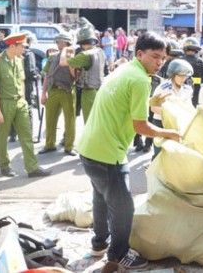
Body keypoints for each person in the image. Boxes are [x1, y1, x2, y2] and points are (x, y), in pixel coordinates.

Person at [77, 32, 180, 268]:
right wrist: (169, 133)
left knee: (101, 199)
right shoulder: (140, 80)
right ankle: (119, 253)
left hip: (90, 148)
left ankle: (99, 243)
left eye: (163, 58)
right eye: (155, 56)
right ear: (140, 53)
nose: (159, 62)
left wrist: (151, 103)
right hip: (107, 153)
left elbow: (125, 105)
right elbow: (140, 126)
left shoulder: (123, 70)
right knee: (123, 206)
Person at [0, 32, 51, 178]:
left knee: (26, 135)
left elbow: (22, 81)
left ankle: (32, 168)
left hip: (20, 103)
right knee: (3, 135)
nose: (24, 48)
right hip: (5, 103)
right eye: (22, 46)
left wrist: (23, 99)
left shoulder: (19, 60)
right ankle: (4, 165)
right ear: (13, 45)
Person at [39, 32, 77, 156]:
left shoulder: (74, 58)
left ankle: (69, 146)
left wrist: (69, 59)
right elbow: (46, 77)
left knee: (70, 121)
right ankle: (49, 144)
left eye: (62, 42)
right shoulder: (51, 58)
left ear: (68, 43)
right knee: (50, 119)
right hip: (53, 90)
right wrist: (43, 94)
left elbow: (75, 76)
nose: (59, 44)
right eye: (58, 42)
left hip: (67, 91)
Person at [60, 23, 105, 123]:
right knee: (98, 121)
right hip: (100, 90)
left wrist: (64, 50)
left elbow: (62, 62)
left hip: (89, 92)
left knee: (89, 122)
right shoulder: (100, 51)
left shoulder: (85, 55)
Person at [151, 58, 194, 159]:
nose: (183, 79)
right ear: (173, 74)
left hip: (179, 125)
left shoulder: (187, 89)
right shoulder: (162, 88)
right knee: (160, 154)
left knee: (176, 156)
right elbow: (153, 108)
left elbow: (189, 107)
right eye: (180, 75)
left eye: (185, 76)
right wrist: (171, 112)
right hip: (161, 124)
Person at [181, 37, 203, 106]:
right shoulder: (201, 62)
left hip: (182, 90)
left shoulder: (180, 61)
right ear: (196, 49)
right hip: (198, 91)